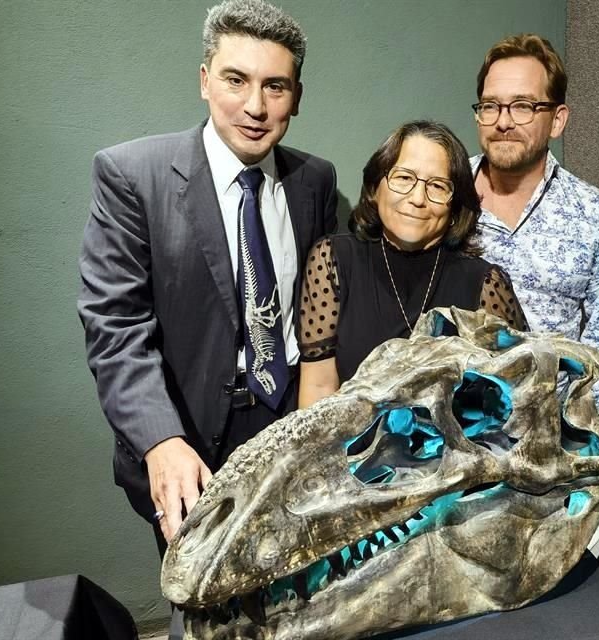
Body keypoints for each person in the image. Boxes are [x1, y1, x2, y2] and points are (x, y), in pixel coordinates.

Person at [78, 0, 337, 551]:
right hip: (188, 436)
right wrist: (160, 442)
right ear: (204, 80)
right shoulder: (132, 176)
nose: (255, 106)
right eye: (235, 79)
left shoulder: (314, 180)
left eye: (275, 86)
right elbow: (115, 329)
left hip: (291, 422)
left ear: (297, 96)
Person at [297, 120, 527, 407]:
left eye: (437, 186)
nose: (418, 199)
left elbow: (519, 397)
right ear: (375, 187)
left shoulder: (484, 284)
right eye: (404, 178)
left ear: (455, 206)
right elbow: (318, 388)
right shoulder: (332, 261)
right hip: (353, 449)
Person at [470, 34, 599, 413]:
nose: (503, 122)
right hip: (448, 439)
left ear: (557, 120)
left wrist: (575, 431)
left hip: (551, 442)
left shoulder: (593, 213)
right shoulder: (442, 196)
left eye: (522, 106)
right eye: (491, 106)